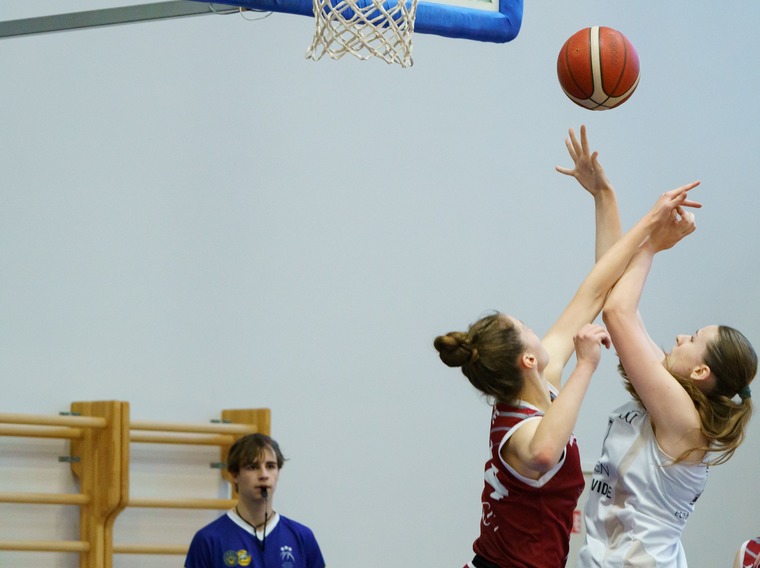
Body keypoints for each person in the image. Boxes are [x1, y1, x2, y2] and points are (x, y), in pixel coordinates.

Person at [433, 125, 702, 568]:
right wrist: (586, 367)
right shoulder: (521, 434)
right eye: (524, 326)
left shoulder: (541, 378)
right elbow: (544, 452)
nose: (535, 326)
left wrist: (605, 195)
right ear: (527, 358)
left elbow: (595, 290)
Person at [577, 178, 757, 566]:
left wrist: (652, 244)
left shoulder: (684, 421)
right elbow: (612, 291)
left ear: (701, 370)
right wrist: (604, 195)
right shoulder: (670, 394)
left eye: (692, 338)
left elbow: (616, 313)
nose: (679, 337)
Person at [185, 433, 326, 568]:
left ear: (278, 473)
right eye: (252, 467)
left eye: (270, 466)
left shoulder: (302, 537)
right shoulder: (208, 540)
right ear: (235, 475)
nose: (264, 475)